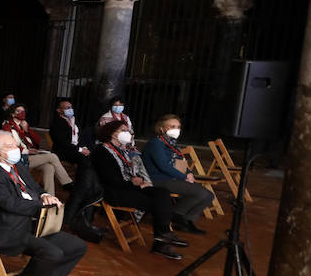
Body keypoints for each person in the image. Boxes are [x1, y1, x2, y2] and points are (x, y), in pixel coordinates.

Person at [0, 130, 88, 276]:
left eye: (15, 145)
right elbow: (11, 204)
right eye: (9, 146)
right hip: (8, 230)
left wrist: (44, 196)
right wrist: (41, 206)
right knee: (53, 252)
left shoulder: (17, 166)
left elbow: (35, 186)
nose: (16, 149)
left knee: (77, 246)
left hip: (32, 223)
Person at [90, 120, 187, 260]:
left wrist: (137, 180)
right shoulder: (102, 151)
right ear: (112, 133)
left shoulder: (121, 150)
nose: (127, 133)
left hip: (129, 187)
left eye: (127, 130)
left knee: (162, 193)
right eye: (123, 130)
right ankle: (162, 242)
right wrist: (134, 184)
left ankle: (163, 236)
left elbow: (127, 173)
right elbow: (112, 180)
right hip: (115, 192)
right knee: (156, 202)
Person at [140, 115, 213, 235]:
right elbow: (164, 166)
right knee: (200, 193)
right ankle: (176, 214)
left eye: (178, 127)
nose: (176, 129)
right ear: (162, 129)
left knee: (209, 195)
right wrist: (184, 177)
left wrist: (189, 173)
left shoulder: (173, 144)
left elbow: (181, 162)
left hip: (172, 178)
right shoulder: (155, 144)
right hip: (158, 179)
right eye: (172, 126)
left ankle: (187, 221)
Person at [3, 105, 71, 194]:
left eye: (23, 111)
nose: (22, 113)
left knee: (49, 167)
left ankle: (50, 197)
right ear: (12, 113)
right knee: (52, 156)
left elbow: (37, 140)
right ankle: (67, 183)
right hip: (21, 158)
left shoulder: (23, 125)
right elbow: (10, 145)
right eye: (18, 111)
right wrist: (27, 151)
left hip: (31, 156)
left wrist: (27, 130)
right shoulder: (7, 126)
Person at [48, 98, 91, 171]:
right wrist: (80, 150)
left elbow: (80, 136)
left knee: (95, 156)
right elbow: (62, 143)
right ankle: (81, 182)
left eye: (71, 107)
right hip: (63, 151)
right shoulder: (56, 123)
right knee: (84, 160)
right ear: (59, 110)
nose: (70, 109)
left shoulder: (74, 121)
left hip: (77, 149)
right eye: (67, 108)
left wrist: (84, 147)